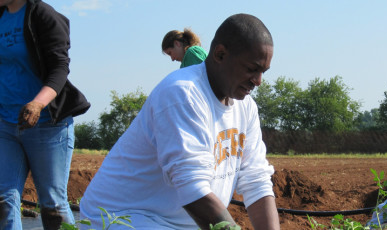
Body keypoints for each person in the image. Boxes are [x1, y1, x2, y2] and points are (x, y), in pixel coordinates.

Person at [80, 13, 279, 230]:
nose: (258, 81)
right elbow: (192, 187)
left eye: (263, 72)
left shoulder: (246, 107)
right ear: (220, 55)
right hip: (124, 217)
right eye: (252, 69)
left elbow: (256, 180)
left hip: (175, 223)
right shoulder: (183, 94)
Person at [0, 0, 91, 229]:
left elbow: (60, 68)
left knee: (52, 205)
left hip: (47, 125)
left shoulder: (43, 15)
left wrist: (37, 103)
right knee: (3, 200)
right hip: (5, 123)